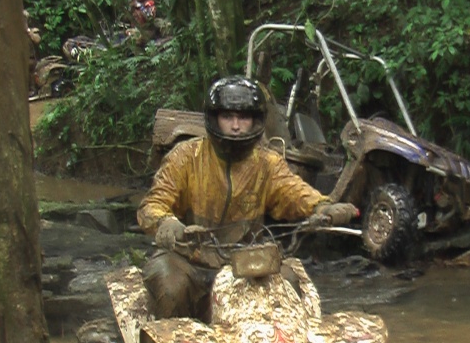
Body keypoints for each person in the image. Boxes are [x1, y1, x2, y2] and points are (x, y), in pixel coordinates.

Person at [137, 75, 358, 323]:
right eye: (227, 117)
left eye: (243, 117)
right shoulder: (186, 156)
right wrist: (166, 223)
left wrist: (323, 206)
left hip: (246, 259)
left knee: (289, 284)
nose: (235, 125)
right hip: (189, 258)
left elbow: (293, 191)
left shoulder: (267, 163)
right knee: (170, 286)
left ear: (255, 121)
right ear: (214, 118)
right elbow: (152, 204)